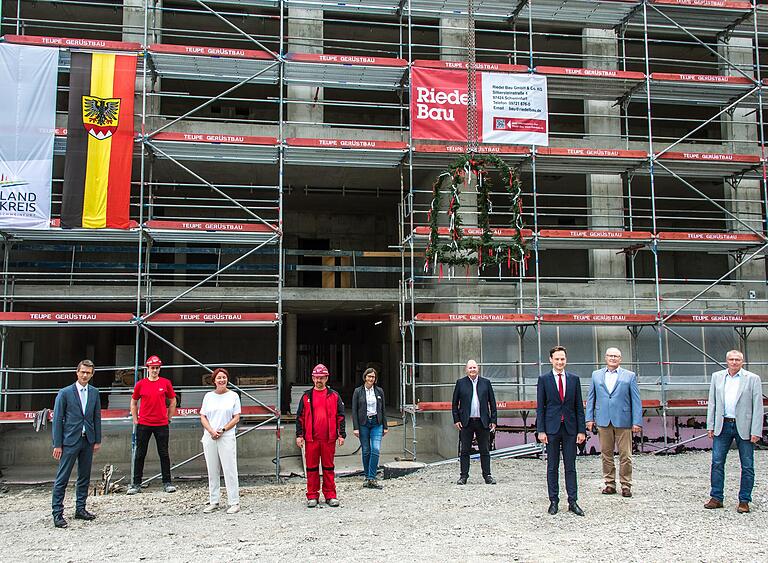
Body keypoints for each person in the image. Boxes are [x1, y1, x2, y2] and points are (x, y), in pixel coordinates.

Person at [704, 350, 764, 513]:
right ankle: (716, 497)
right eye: (731, 359)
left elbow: (758, 407)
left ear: (742, 362)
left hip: (743, 426)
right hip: (722, 425)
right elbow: (712, 403)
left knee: (747, 465)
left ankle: (744, 500)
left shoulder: (752, 379)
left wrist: (756, 430)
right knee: (717, 462)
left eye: (738, 359)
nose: (734, 362)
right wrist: (710, 425)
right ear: (726, 361)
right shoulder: (717, 377)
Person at [51, 359, 102, 528]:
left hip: (87, 440)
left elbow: (96, 418)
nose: (85, 375)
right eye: (83, 372)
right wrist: (57, 444)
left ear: (92, 374)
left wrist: (97, 439)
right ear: (77, 372)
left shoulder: (94, 393)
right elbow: (57, 419)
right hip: (69, 441)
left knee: (84, 476)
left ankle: (80, 508)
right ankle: (57, 513)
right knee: (63, 477)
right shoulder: (65, 393)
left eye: (88, 373)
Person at [585, 347, 642, 498]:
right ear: (605, 358)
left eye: (616, 356)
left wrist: (637, 422)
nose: (613, 358)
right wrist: (589, 418)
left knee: (626, 455)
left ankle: (626, 485)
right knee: (606, 454)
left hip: (623, 421)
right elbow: (591, 398)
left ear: (620, 359)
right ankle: (609, 484)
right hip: (603, 420)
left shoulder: (629, 376)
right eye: (610, 355)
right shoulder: (596, 375)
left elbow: (636, 400)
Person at [537, 345, 586, 516]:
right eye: (557, 359)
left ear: (566, 360)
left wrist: (582, 431)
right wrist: (541, 430)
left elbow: (579, 407)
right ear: (551, 360)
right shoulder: (544, 380)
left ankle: (573, 501)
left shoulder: (574, 379)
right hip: (551, 429)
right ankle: (553, 501)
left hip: (570, 430)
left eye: (562, 359)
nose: (560, 362)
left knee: (570, 466)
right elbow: (541, 407)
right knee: (552, 466)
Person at [295, 363, 346, 507]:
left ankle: (330, 495)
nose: (319, 381)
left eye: (322, 378)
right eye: (316, 378)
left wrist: (341, 435)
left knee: (328, 468)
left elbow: (340, 416)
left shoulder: (334, 396)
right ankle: (312, 495)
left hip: (328, 439)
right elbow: (300, 417)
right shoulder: (306, 396)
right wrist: (299, 435)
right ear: (312, 378)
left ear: (326, 378)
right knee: (311, 468)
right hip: (311, 439)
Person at [127, 355, 177, 495]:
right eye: (152, 368)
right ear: (147, 369)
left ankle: (167, 482)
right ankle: (136, 483)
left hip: (161, 424)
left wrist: (169, 418)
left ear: (159, 369)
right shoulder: (141, 384)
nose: (154, 370)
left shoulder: (165, 383)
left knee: (164, 454)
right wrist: (135, 419)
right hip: (144, 423)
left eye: (157, 368)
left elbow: (173, 401)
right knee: (140, 454)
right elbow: (133, 401)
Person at [199, 368, 242, 514]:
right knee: (212, 470)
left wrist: (222, 430)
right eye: (219, 378)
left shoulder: (233, 396)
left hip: (226, 436)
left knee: (229, 469)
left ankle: (234, 502)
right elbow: (203, 416)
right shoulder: (208, 396)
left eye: (224, 377)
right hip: (210, 436)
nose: (222, 380)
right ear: (214, 381)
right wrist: (211, 431)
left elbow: (236, 417)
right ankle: (214, 500)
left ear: (227, 379)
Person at [451, 359, 498, 485]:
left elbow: (492, 403)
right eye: (470, 368)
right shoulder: (460, 383)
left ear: (478, 369)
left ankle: (487, 476)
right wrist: (456, 419)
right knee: (465, 450)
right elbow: (454, 403)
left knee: (485, 450)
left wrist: (493, 420)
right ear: (466, 370)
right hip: (466, 422)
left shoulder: (486, 383)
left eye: (474, 368)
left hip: (482, 422)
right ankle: (463, 476)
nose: (472, 370)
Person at [352, 367, 388, 489]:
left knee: (375, 449)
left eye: (373, 377)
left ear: (375, 379)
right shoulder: (358, 391)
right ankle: (367, 476)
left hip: (377, 423)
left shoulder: (379, 391)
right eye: (369, 376)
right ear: (365, 377)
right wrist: (355, 427)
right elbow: (354, 410)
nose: (371, 379)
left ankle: (372, 477)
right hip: (363, 423)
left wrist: (385, 425)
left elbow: (383, 409)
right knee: (366, 450)